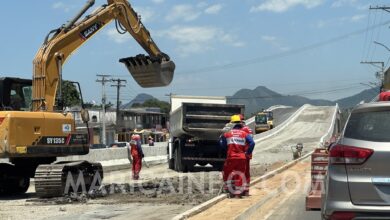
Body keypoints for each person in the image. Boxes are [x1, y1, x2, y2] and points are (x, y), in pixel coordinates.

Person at [220, 114, 255, 198]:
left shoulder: (228, 133)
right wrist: (248, 152)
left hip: (231, 156)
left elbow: (221, 142)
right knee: (242, 174)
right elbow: (252, 142)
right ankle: (240, 193)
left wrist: (226, 149)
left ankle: (229, 190)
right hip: (243, 156)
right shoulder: (245, 131)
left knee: (228, 173)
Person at [239, 114, 253, 196]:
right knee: (246, 172)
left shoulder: (243, 130)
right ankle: (246, 190)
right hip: (247, 154)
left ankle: (241, 190)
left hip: (243, 153)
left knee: (241, 172)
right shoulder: (249, 129)